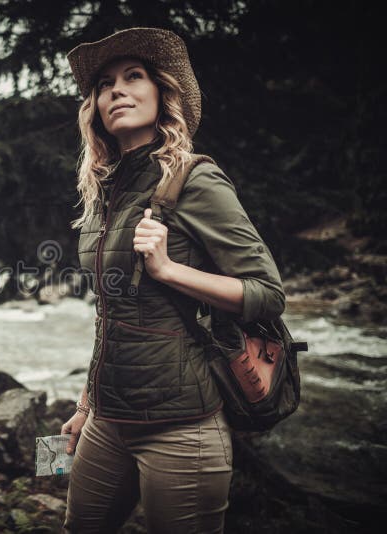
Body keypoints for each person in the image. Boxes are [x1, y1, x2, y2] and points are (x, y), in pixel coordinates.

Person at [59, 27, 285, 533]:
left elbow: (268, 295)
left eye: (133, 76)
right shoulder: (102, 193)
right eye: (104, 84)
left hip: (182, 428)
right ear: (93, 106)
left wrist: (168, 269)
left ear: (162, 94)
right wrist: (85, 405)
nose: (116, 90)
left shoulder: (195, 179)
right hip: (107, 420)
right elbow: (113, 315)